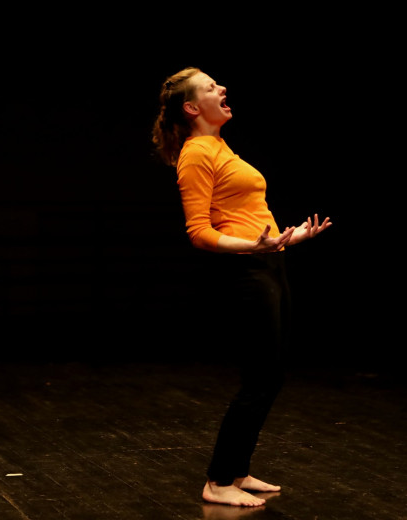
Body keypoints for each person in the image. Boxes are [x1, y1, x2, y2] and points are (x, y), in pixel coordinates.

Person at [151, 66, 332, 507]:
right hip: (244, 271)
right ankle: (217, 481)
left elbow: (247, 214)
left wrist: (288, 237)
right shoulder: (197, 153)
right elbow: (199, 232)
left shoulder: (219, 146)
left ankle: (238, 469)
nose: (222, 88)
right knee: (259, 379)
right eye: (211, 87)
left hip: (267, 262)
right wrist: (254, 246)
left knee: (270, 377)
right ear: (192, 107)